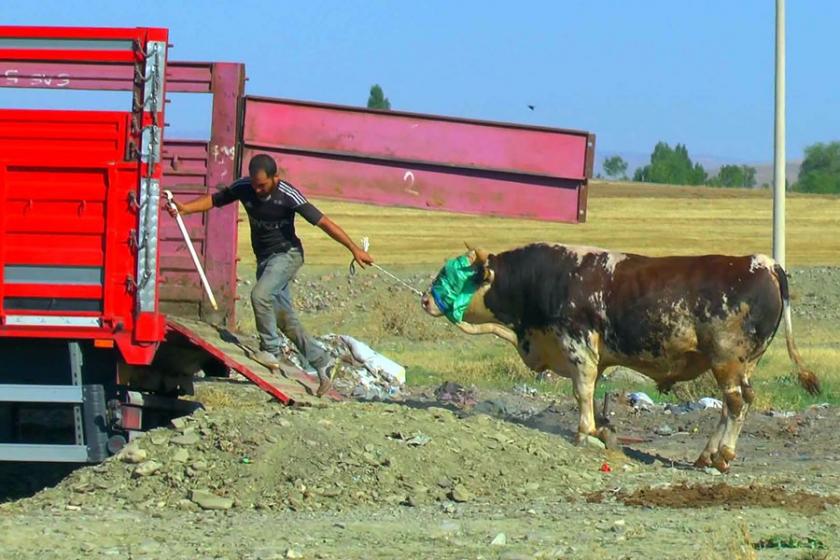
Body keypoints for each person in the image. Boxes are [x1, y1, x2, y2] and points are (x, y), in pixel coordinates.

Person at [167, 153, 374, 397]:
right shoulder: (244, 187)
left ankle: (271, 351)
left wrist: (354, 248)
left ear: (276, 178)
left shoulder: (288, 194)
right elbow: (215, 200)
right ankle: (321, 362)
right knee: (285, 321)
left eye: (263, 185)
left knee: (259, 295)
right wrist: (184, 209)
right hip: (265, 261)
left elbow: (324, 223)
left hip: (288, 255)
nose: (258, 190)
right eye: (255, 184)